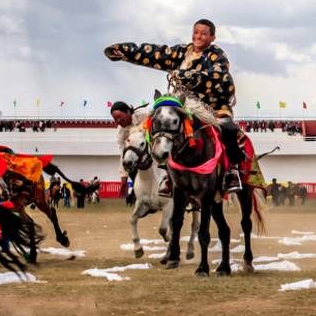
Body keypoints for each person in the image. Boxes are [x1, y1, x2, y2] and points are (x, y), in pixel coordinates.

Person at [105, 19, 248, 189]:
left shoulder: (217, 56)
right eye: (196, 32)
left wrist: (187, 75)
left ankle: (231, 172)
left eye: (203, 33)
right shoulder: (181, 52)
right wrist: (125, 52)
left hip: (214, 107)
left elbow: (218, 76)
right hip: (185, 106)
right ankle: (167, 174)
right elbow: (155, 54)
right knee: (164, 126)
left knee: (228, 129)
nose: (198, 36)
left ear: (212, 37)